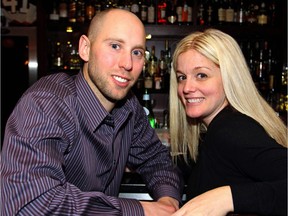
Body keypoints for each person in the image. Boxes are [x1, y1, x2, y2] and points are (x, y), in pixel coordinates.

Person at [1, 9, 182, 215]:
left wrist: (168, 200)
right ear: (85, 48)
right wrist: (141, 211)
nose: (127, 64)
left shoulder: (129, 107)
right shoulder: (46, 103)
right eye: (115, 46)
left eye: (137, 52)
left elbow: (156, 159)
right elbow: (33, 204)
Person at [169, 29, 287, 216]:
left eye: (201, 75)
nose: (187, 88)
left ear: (229, 78)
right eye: (182, 77)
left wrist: (227, 198)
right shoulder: (215, 130)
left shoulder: (231, 130)